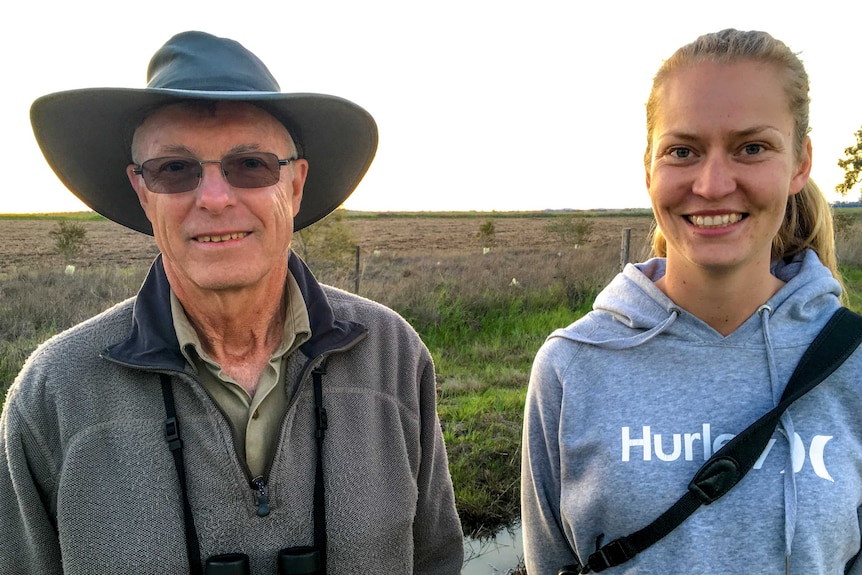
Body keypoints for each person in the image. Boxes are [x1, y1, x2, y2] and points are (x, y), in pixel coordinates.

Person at [0, 31, 464, 575]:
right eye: (175, 169)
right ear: (142, 192)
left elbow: (436, 560)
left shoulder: (391, 356)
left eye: (250, 165)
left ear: (294, 185)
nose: (215, 199)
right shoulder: (55, 391)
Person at [521, 28, 862, 574]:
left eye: (752, 147)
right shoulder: (572, 365)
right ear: (649, 168)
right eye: (683, 151)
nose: (711, 184)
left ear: (800, 163)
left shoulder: (854, 363)